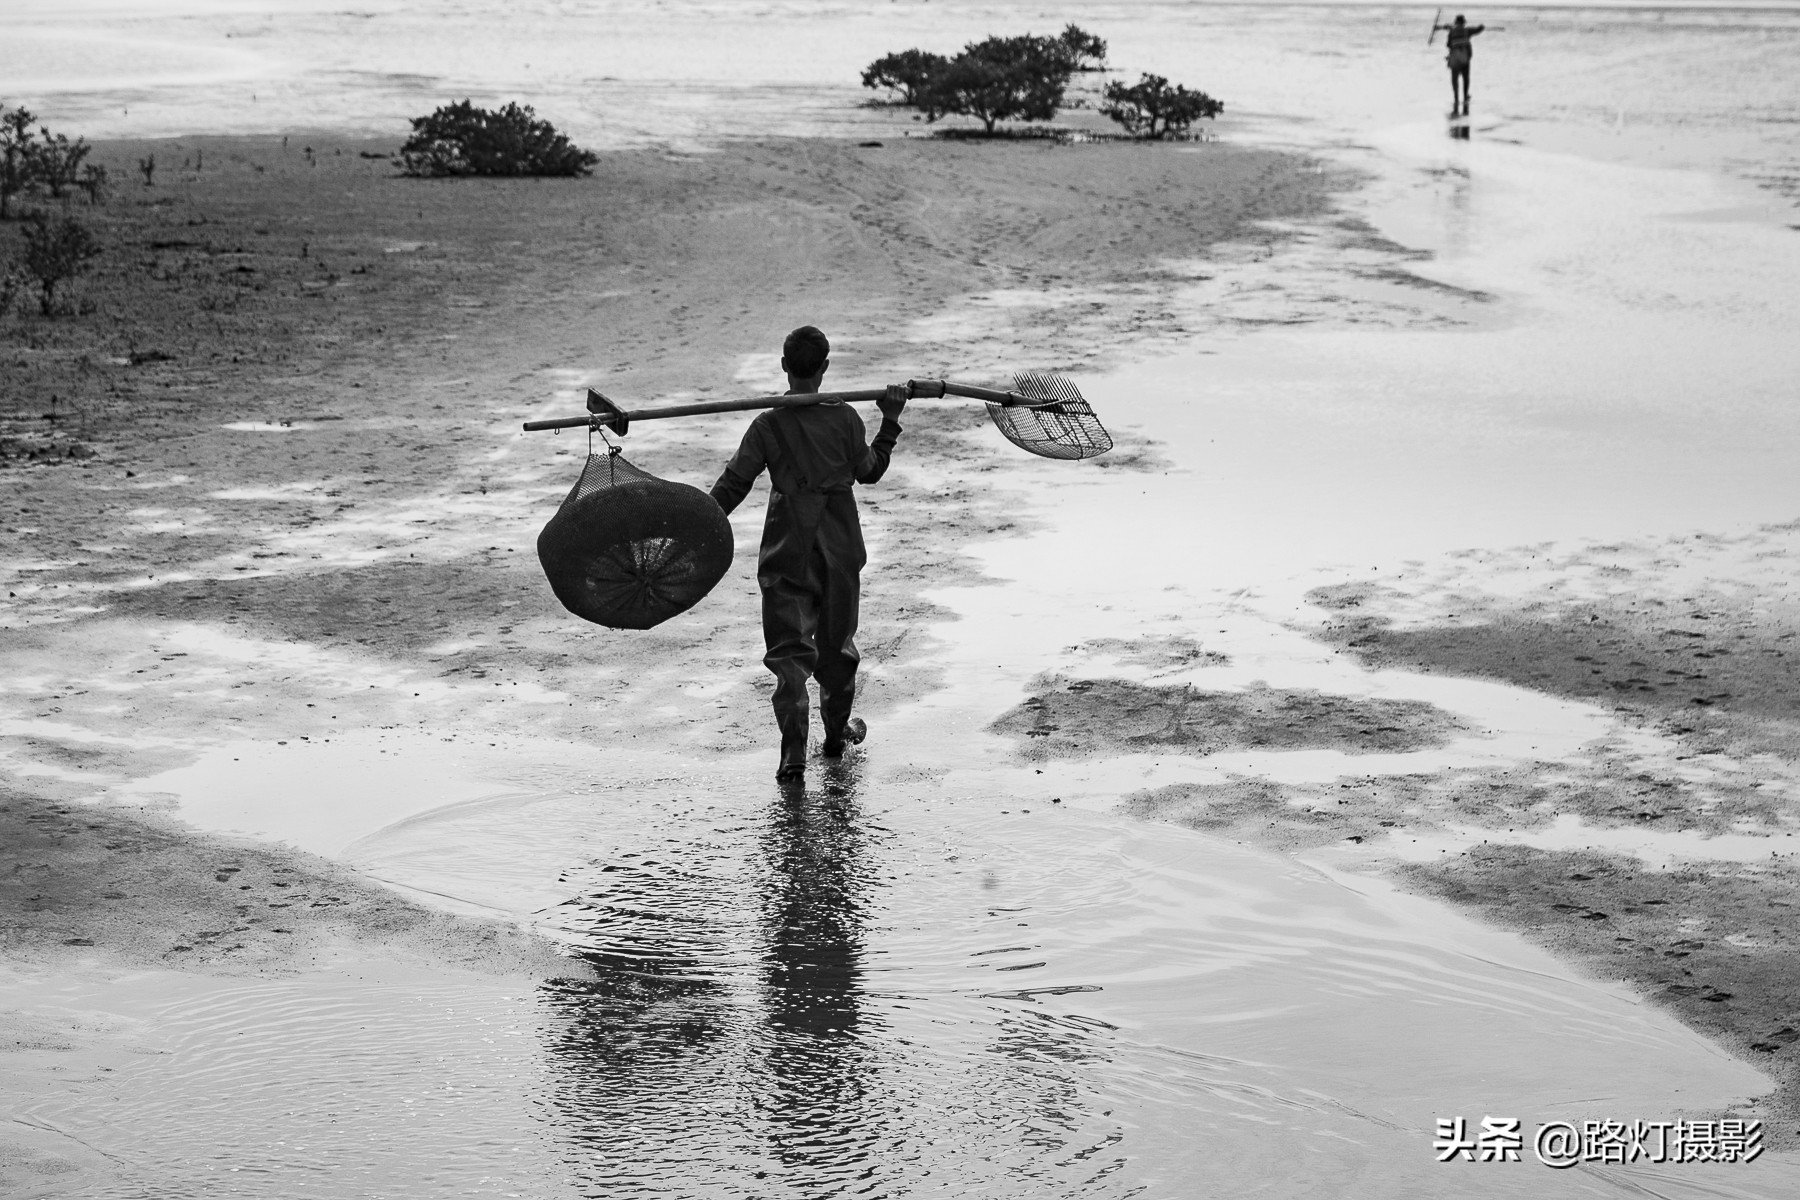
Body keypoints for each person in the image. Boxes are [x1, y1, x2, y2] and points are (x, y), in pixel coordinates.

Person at [710, 326, 907, 783]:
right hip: (838, 545)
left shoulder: (767, 425)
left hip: (787, 545)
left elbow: (734, 485)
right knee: (836, 647)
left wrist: (701, 522)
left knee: (788, 654)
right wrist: (891, 419)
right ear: (824, 369)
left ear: (784, 366)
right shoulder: (846, 420)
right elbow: (871, 472)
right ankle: (836, 736)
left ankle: (792, 755)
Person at [1435, 14, 1485, 117]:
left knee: (1454, 80)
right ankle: (1465, 96)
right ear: (1463, 23)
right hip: (1465, 59)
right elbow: (1479, 30)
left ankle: (1456, 98)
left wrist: (1440, 28)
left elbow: (1448, 44)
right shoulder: (1467, 31)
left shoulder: (1452, 31)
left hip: (1454, 59)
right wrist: (1482, 26)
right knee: (1466, 78)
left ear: (1456, 22)